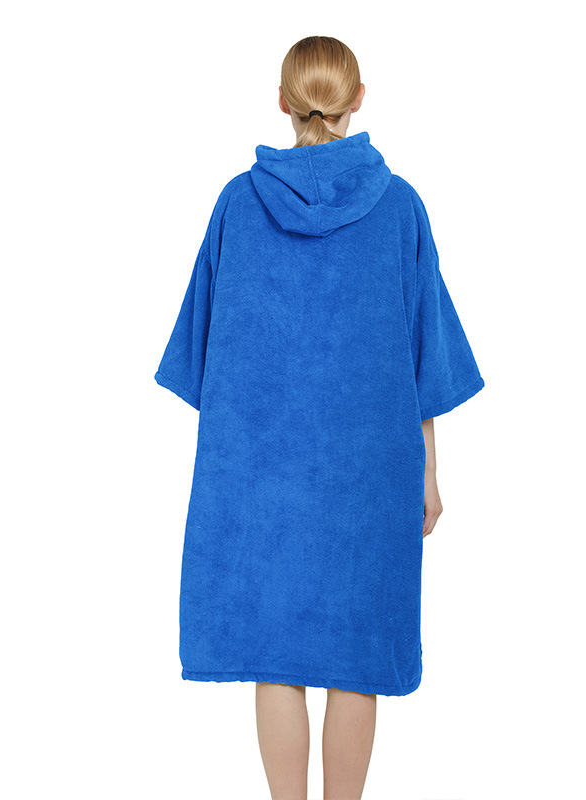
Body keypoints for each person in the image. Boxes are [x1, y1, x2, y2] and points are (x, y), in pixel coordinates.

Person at [155, 35, 485, 800]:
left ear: (282, 101)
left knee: (275, 652)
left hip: (260, 471)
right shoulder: (400, 207)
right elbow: (424, 358)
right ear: (358, 98)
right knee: (356, 653)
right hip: (369, 474)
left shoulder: (238, 203)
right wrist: (429, 471)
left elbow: (201, 351)